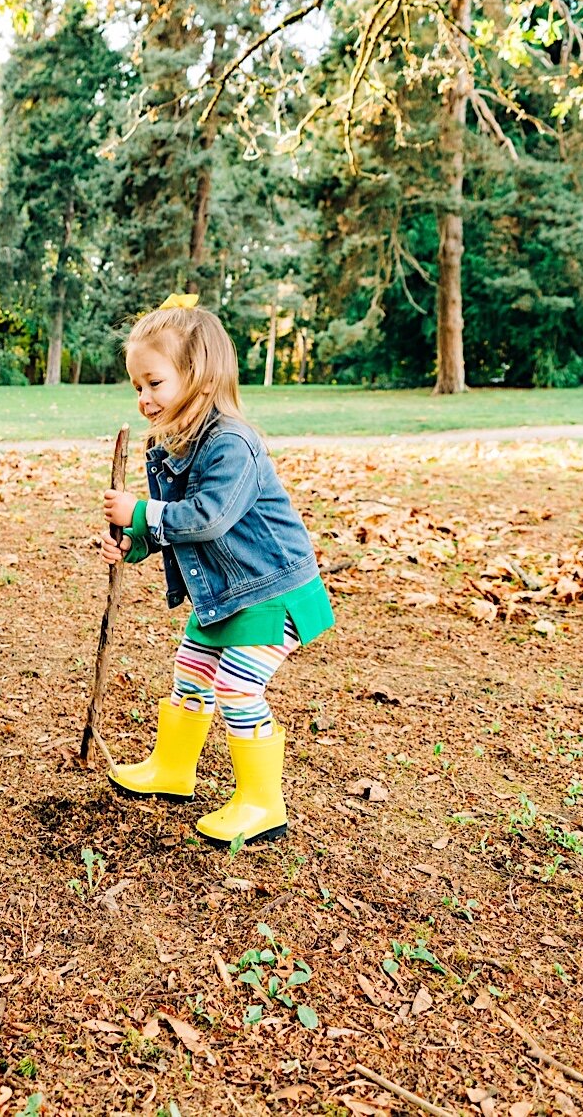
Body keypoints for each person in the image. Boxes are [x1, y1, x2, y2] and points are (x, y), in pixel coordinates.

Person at [97, 295, 333, 845]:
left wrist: (138, 510)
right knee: (191, 671)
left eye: (154, 383)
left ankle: (261, 802)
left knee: (236, 685)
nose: (143, 399)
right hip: (224, 593)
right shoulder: (168, 446)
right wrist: (132, 542)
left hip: (272, 592)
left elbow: (207, 517)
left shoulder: (232, 444)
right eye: (137, 386)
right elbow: (170, 526)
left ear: (199, 379)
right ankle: (173, 769)